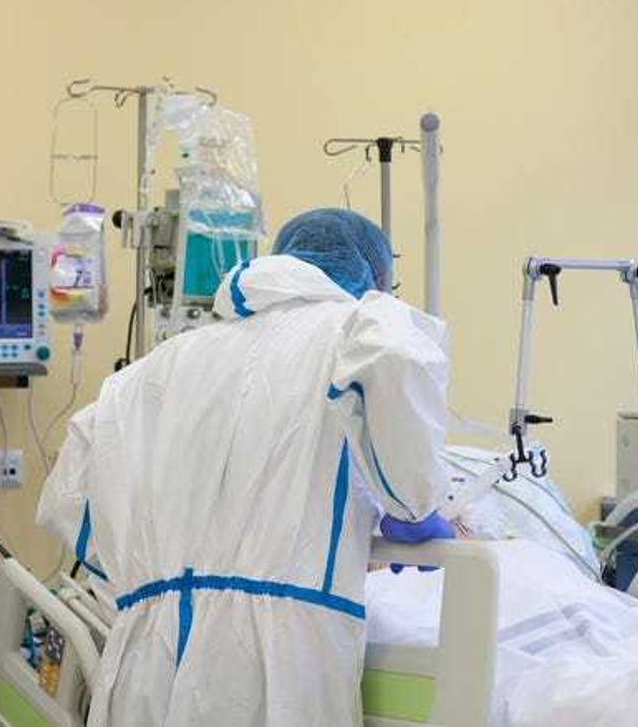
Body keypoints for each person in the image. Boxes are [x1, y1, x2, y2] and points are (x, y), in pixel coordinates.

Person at [37, 208, 453, 726]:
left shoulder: (155, 368)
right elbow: (400, 373)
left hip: (148, 651)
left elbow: (70, 495)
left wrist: (146, 582)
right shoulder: (360, 326)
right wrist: (414, 504)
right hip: (277, 660)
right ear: (376, 279)